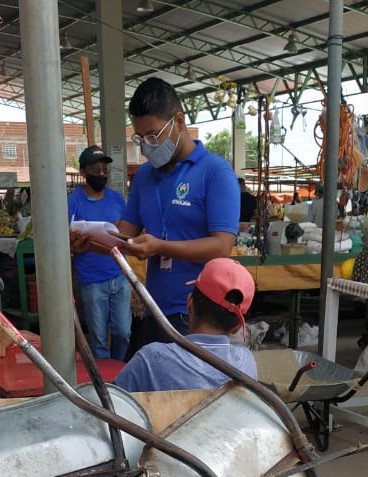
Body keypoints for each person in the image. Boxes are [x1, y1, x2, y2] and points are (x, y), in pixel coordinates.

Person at [111, 76, 240, 350]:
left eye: (153, 135)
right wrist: (90, 240)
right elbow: (124, 234)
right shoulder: (145, 176)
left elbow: (222, 246)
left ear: (179, 121)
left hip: (197, 316)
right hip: (155, 309)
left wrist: (160, 246)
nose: (147, 146)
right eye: (140, 138)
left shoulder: (215, 172)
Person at [113, 257, 257, 393]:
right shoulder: (247, 364)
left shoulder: (150, 359)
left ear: (189, 303)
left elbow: (112, 402)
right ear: (237, 327)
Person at [67, 146, 131, 361]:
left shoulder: (117, 199)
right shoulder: (73, 202)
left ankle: (118, 367)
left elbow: (127, 231)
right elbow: (62, 239)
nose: (101, 174)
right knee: (98, 339)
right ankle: (103, 376)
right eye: (95, 170)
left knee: (123, 332)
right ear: (83, 172)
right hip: (91, 279)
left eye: (105, 170)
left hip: (119, 275)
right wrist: (73, 244)